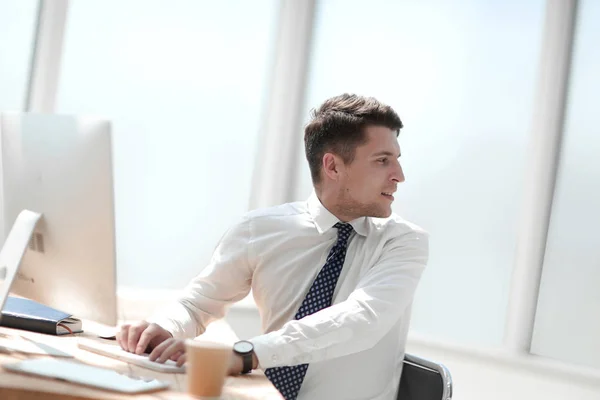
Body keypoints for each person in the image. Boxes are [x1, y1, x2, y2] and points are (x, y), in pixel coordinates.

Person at [117, 93, 429, 400]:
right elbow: (197, 304)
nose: (398, 176)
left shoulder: (402, 241)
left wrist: (247, 355)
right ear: (333, 167)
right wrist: (164, 328)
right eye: (383, 161)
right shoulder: (259, 230)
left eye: (396, 160)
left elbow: (362, 319)